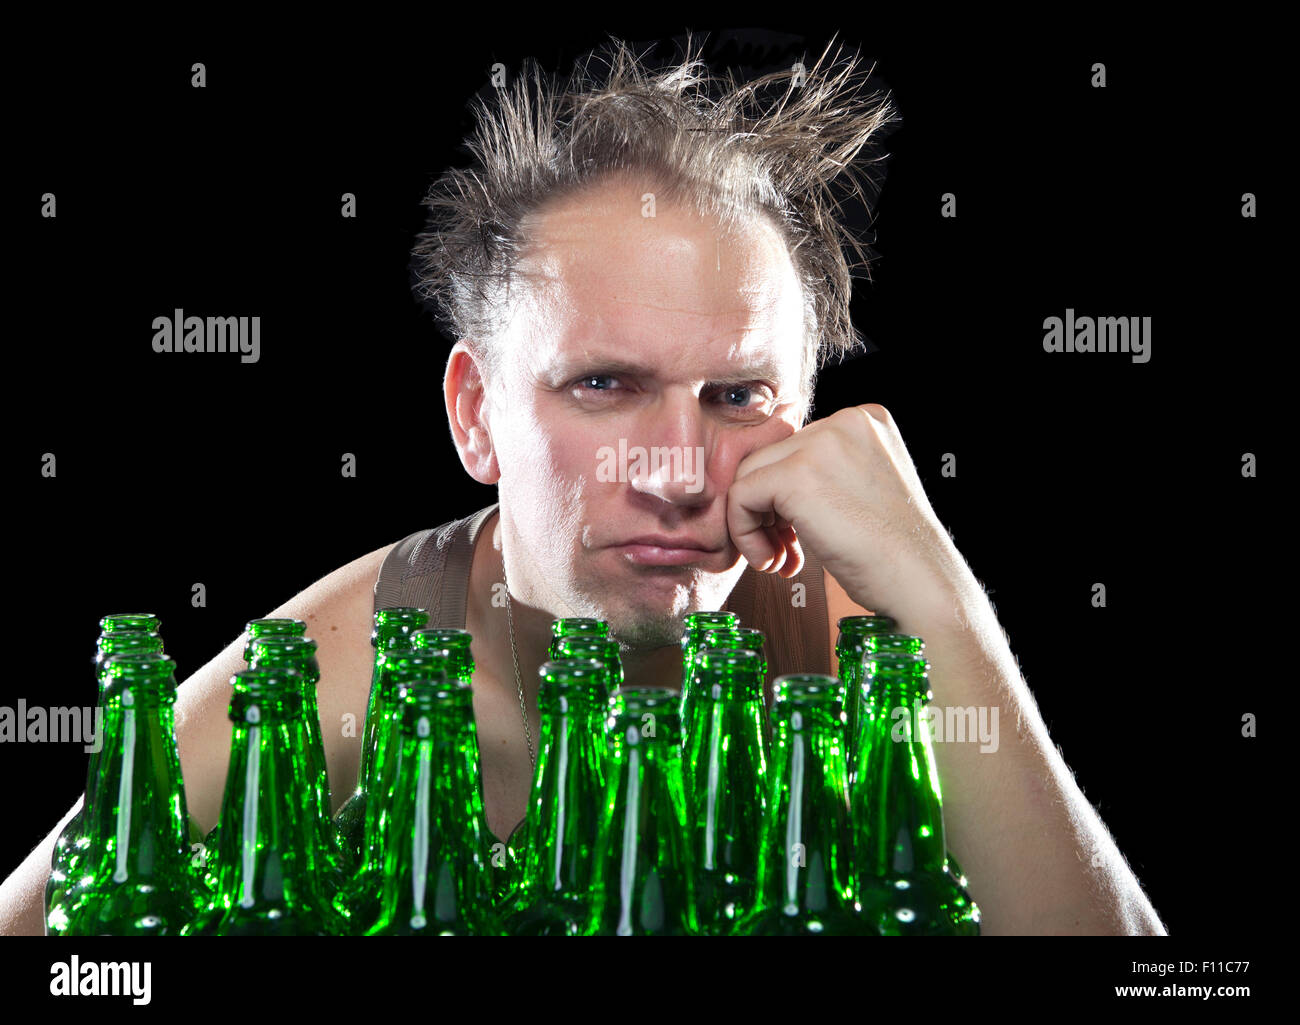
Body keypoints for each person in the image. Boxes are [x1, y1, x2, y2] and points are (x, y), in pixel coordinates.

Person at [0, 37, 1165, 935]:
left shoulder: (864, 639)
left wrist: (949, 603)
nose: (674, 471)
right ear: (476, 413)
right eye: (603, 382)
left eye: (736, 395)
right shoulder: (357, 651)